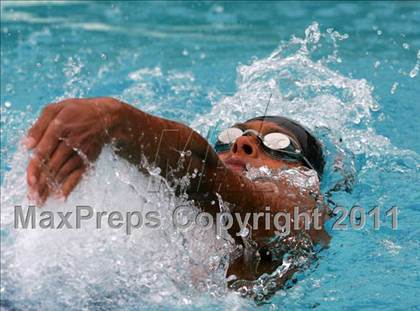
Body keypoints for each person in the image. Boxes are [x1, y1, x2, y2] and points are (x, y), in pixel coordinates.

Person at [24, 97, 330, 288]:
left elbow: (207, 177)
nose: (242, 144)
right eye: (229, 138)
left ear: (306, 173)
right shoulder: (181, 231)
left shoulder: (301, 204)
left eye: (280, 145)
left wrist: (117, 120)